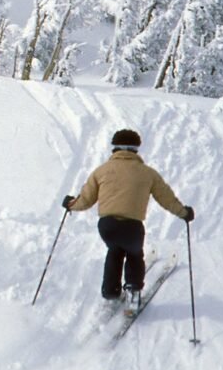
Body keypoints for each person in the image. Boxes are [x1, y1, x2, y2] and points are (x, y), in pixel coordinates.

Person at [62, 128, 194, 310]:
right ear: (135, 149)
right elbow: (166, 199)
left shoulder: (101, 171)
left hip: (107, 225)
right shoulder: (148, 173)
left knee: (114, 251)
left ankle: (110, 292)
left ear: (114, 149)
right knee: (134, 254)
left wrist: (70, 204)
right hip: (132, 227)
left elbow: (85, 200)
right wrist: (184, 213)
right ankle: (133, 290)